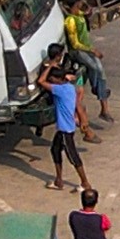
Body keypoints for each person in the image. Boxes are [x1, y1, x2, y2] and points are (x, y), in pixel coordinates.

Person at [40, 61, 87, 189]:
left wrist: (49, 66)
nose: (51, 80)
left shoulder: (59, 90)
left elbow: (41, 81)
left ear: (58, 80)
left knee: (73, 157)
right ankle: (58, 180)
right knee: (55, 150)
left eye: (53, 79)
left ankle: (85, 183)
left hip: (66, 130)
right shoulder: (69, 87)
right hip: (63, 129)